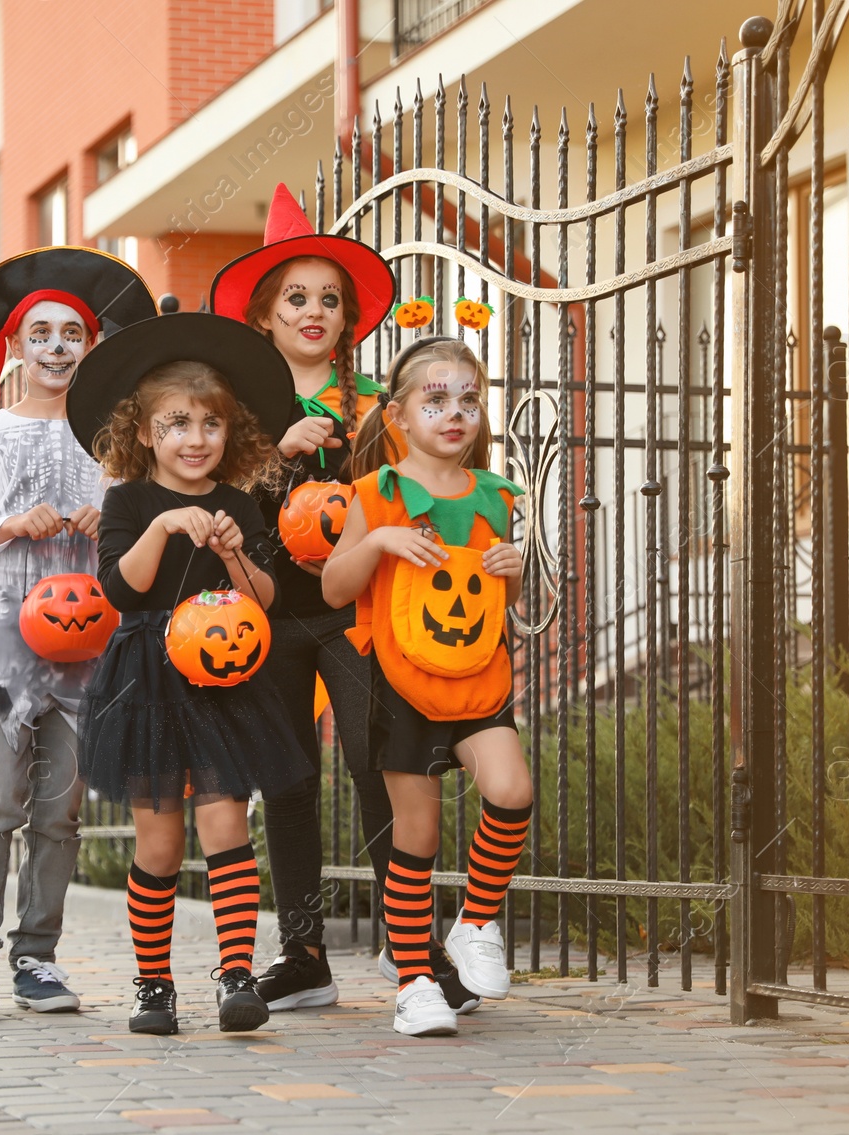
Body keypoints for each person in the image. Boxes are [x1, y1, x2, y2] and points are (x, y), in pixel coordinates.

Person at [211, 183, 478, 1013]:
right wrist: (275, 455)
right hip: (267, 611)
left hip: (358, 610)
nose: (314, 311)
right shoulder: (240, 411)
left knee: (380, 765)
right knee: (288, 778)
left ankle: (419, 952)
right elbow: (222, 507)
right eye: (296, 298)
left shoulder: (375, 410)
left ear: (347, 317)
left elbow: (411, 493)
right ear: (265, 314)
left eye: (329, 298)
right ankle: (304, 952)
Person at [66, 312, 309, 1035]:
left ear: (229, 433)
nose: (195, 438)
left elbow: (262, 601)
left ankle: (237, 974)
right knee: (161, 841)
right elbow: (119, 589)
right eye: (177, 422)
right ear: (145, 432)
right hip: (147, 678)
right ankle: (153, 984)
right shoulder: (129, 501)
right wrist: (165, 526)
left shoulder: (237, 504)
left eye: (211, 423)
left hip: (225, 680)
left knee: (227, 822)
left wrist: (236, 552)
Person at [0, 247, 155, 1017]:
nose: (57, 347)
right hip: (2, 642)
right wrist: (6, 524)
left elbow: (138, 543)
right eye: (42, 333)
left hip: (80, 646)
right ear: (19, 347)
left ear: (90, 347)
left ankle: (38, 956)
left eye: (72, 334)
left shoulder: (113, 445)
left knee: (61, 809)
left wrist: (110, 516)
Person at [321, 336, 533, 1037]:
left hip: (480, 673)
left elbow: (497, 596)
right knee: (416, 831)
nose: (455, 412)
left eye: (468, 399)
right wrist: (376, 544)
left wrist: (513, 566)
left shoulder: (497, 495)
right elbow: (333, 585)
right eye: (435, 400)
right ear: (399, 417)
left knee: (511, 788)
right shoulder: (373, 495)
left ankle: (475, 922)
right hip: (400, 679)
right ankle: (414, 981)